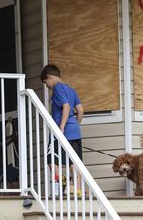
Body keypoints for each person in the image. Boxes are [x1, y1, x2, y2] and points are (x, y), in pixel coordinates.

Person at [40, 64, 84, 196]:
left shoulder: (58, 89)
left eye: (45, 82)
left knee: (51, 160)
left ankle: (61, 183)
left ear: (49, 77)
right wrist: (75, 125)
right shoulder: (71, 90)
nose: (47, 86)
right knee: (74, 162)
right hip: (75, 131)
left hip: (61, 132)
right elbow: (80, 110)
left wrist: (62, 127)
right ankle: (78, 191)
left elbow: (65, 107)